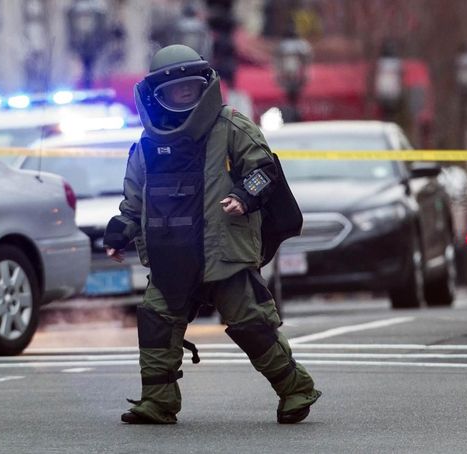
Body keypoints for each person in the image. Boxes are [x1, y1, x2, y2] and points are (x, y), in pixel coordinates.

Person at [103, 44, 321, 425]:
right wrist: (118, 233)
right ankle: (157, 401)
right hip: (170, 254)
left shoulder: (232, 126)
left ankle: (295, 388)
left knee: (252, 324)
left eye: (190, 87)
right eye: (176, 90)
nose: (184, 95)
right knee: (157, 321)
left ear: (204, 87)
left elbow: (264, 172)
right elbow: (134, 199)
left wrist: (243, 196)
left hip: (224, 251)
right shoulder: (146, 144)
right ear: (160, 96)